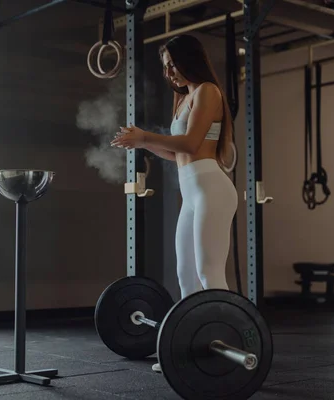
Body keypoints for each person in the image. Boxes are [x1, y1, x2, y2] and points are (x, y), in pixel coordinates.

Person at [110, 34, 238, 373]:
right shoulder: (183, 99)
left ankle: (228, 340)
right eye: (166, 68)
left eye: (173, 65)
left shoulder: (208, 91)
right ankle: (191, 345)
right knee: (185, 274)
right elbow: (176, 152)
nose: (170, 73)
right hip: (193, 192)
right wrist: (141, 143)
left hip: (212, 188)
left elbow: (193, 143)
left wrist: (145, 136)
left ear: (189, 60)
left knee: (209, 271)